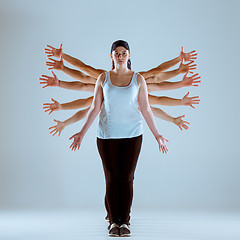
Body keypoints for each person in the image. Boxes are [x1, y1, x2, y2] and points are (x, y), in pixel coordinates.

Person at [67, 40, 168, 237]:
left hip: (132, 136)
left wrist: (158, 135)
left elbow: (146, 109)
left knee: (127, 178)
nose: (120, 56)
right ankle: (114, 222)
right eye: (116, 53)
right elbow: (95, 108)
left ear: (129, 56)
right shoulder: (102, 79)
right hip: (107, 137)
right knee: (112, 179)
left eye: (124, 52)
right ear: (111, 56)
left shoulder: (138, 79)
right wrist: (81, 133)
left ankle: (125, 221)